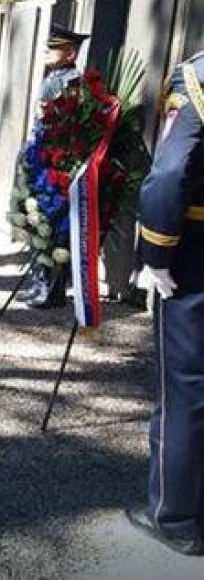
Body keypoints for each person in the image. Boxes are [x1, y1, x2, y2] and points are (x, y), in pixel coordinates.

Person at [125, 51, 204, 556]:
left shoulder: (198, 76)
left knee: (186, 385)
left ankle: (173, 516)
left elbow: (173, 169)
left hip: (196, 253)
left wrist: (156, 250)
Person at [17, 22, 89, 309]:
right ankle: (41, 282)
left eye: (55, 48)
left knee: (53, 227)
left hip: (55, 164)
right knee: (39, 223)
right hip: (41, 159)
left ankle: (52, 288)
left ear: (70, 54)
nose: (47, 52)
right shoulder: (54, 78)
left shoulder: (71, 82)